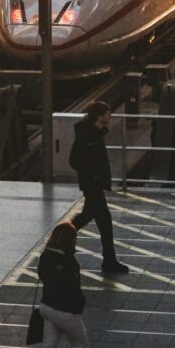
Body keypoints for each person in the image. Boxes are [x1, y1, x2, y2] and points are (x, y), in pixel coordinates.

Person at [68, 101, 129, 274]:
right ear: (99, 116)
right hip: (91, 185)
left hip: (95, 184)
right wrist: (93, 175)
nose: (110, 116)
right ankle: (109, 261)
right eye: (107, 113)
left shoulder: (95, 133)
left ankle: (61, 242)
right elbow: (74, 161)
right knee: (105, 223)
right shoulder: (87, 136)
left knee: (85, 216)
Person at [33, 223, 97, 348]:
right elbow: (73, 289)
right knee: (81, 347)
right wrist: (79, 305)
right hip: (65, 311)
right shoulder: (69, 262)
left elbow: (42, 276)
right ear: (70, 240)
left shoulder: (46, 255)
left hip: (47, 306)